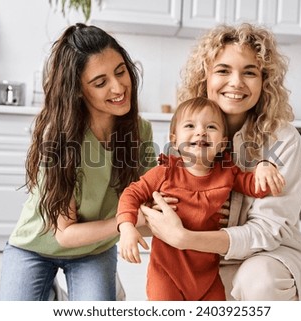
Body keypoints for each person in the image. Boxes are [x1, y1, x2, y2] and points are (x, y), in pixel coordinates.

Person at [140, 23, 301, 301]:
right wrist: (154, 212)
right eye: (223, 70)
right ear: (205, 76)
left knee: (259, 279)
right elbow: (152, 206)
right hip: (196, 261)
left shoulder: (282, 139)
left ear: (265, 81)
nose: (236, 82)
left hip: (267, 255)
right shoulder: (186, 132)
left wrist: (185, 238)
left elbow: (266, 232)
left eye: (249, 72)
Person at [0, 23, 156, 301]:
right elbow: (65, 235)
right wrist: (126, 221)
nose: (119, 87)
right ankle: (54, 295)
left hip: (93, 250)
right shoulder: (59, 137)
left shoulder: (140, 131)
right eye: (100, 82)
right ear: (79, 90)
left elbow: (148, 211)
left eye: (120, 72)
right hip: (35, 246)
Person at [117, 96, 286, 301]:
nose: (200, 131)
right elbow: (131, 194)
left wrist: (265, 166)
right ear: (174, 140)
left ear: (223, 143)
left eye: (211, 127)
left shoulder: (227, 173)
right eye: (190, 125)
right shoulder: (165, 172)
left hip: (207, 275)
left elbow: (256, 188)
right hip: (167, 274)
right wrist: (126, 227)